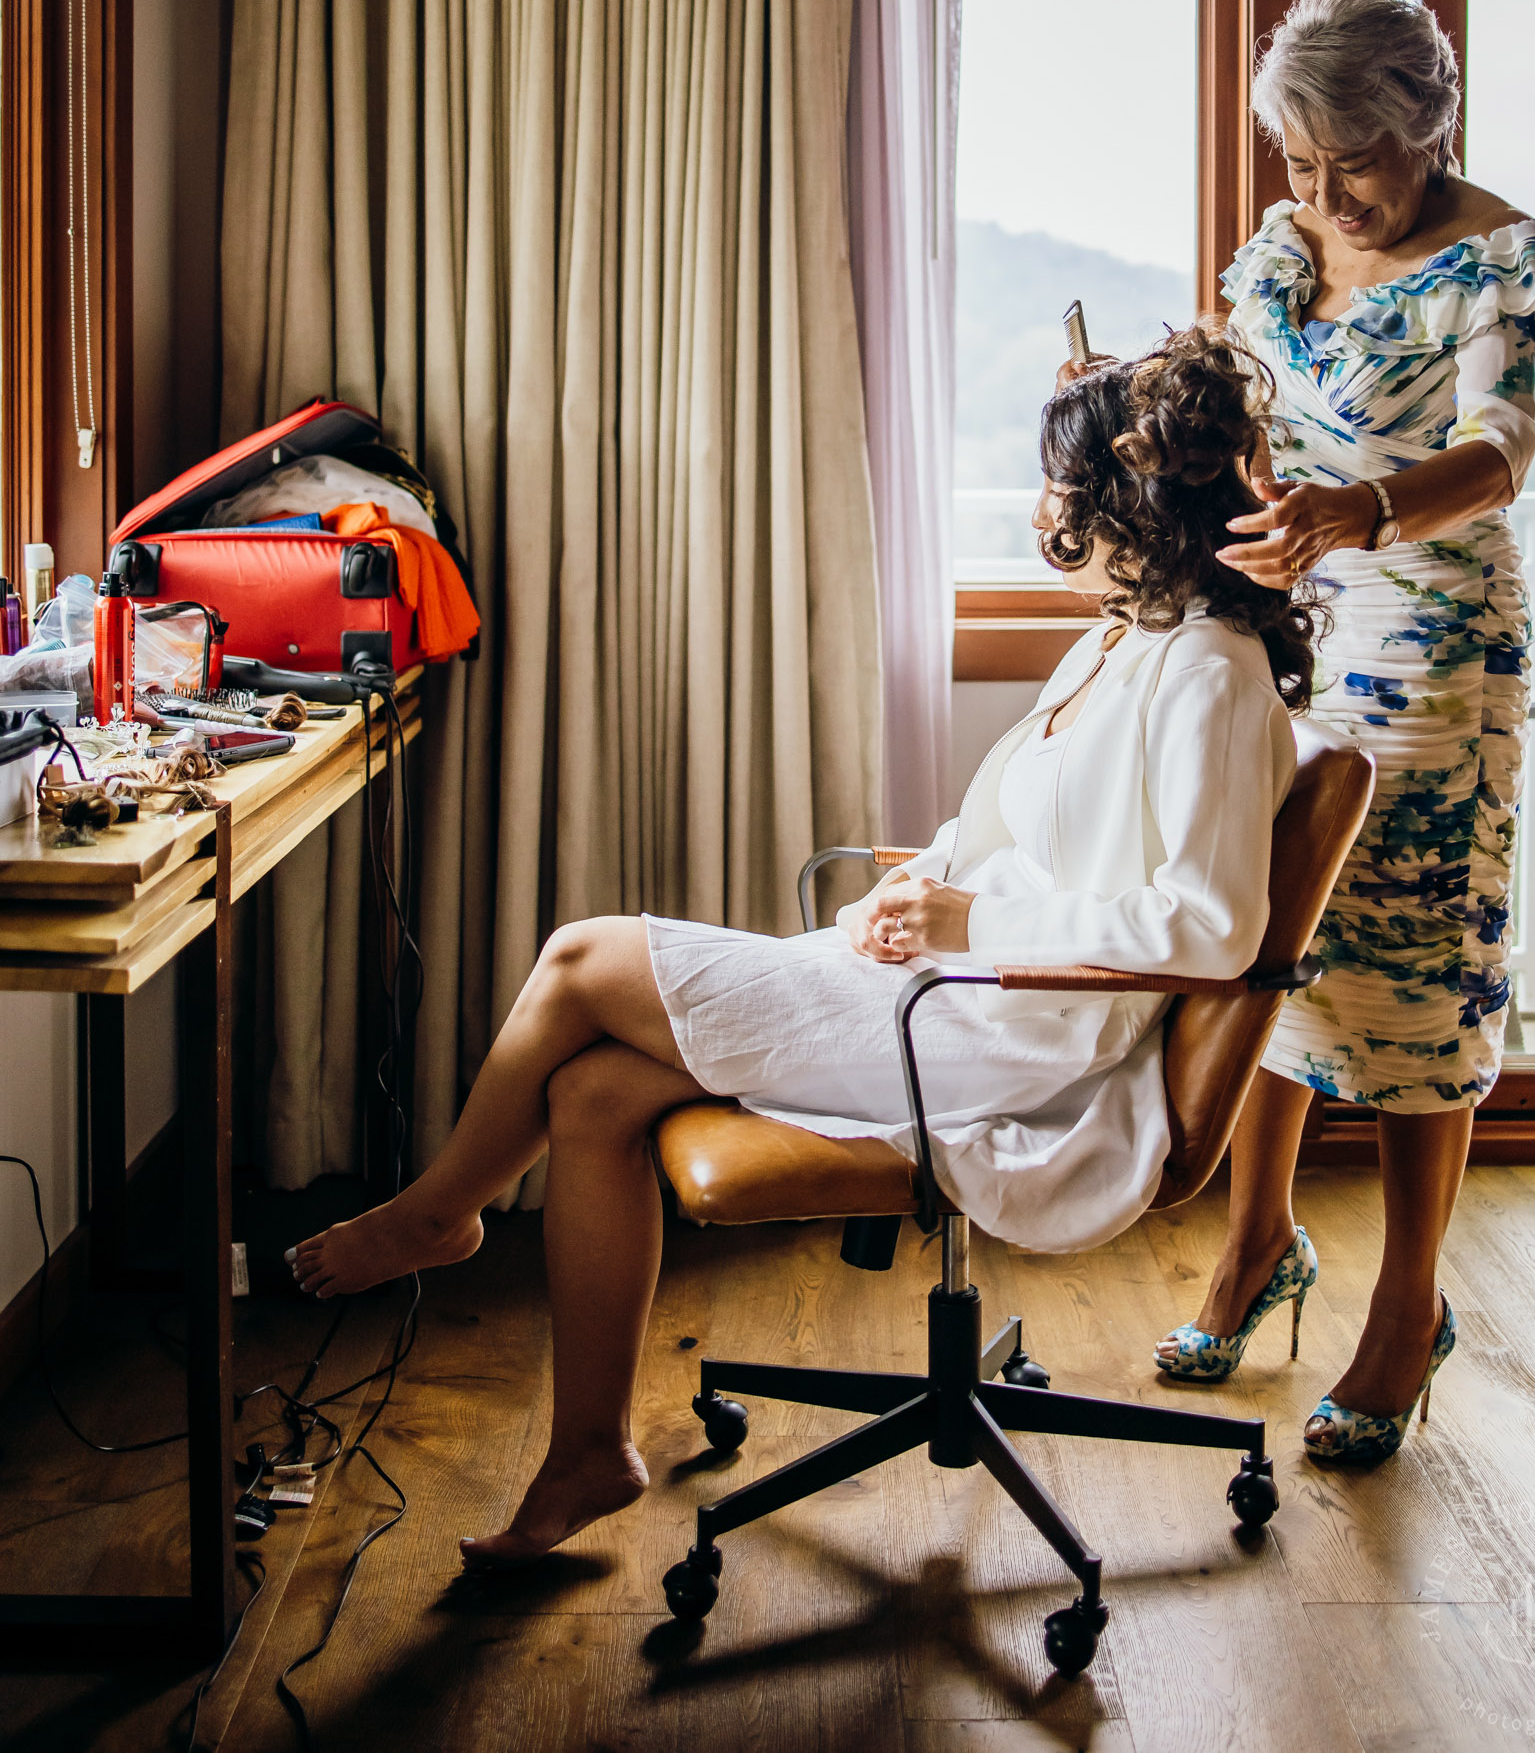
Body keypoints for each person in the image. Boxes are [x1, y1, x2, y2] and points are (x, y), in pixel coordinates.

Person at [291, 326, 1315, 1565]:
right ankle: (587, 1455)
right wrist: (921, 890)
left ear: (1127, 502)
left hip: (1012, 1031)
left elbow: (1208, 929)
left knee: (579, 957)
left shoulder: (1206, 668)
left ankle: (438, 1213)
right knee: (594, 1089)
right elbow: (998, 827)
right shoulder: (1121, 637)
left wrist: (970, 923)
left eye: (1064, 484)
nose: (1049, 507)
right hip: (957, 980)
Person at [1152, 0, 1535, 1467]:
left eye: (1352, 158)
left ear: (1428, 126)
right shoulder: (1282, 250)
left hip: (1430, 655)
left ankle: (1404, 1304)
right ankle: (1254, 1242)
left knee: (1410, 975)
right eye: (1295, 159)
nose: (1323, 192)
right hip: (1290, 639)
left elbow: (1497, 455)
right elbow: (1246, 411)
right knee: (1273, 940)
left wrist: (1366, 511)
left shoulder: (1499, 265)